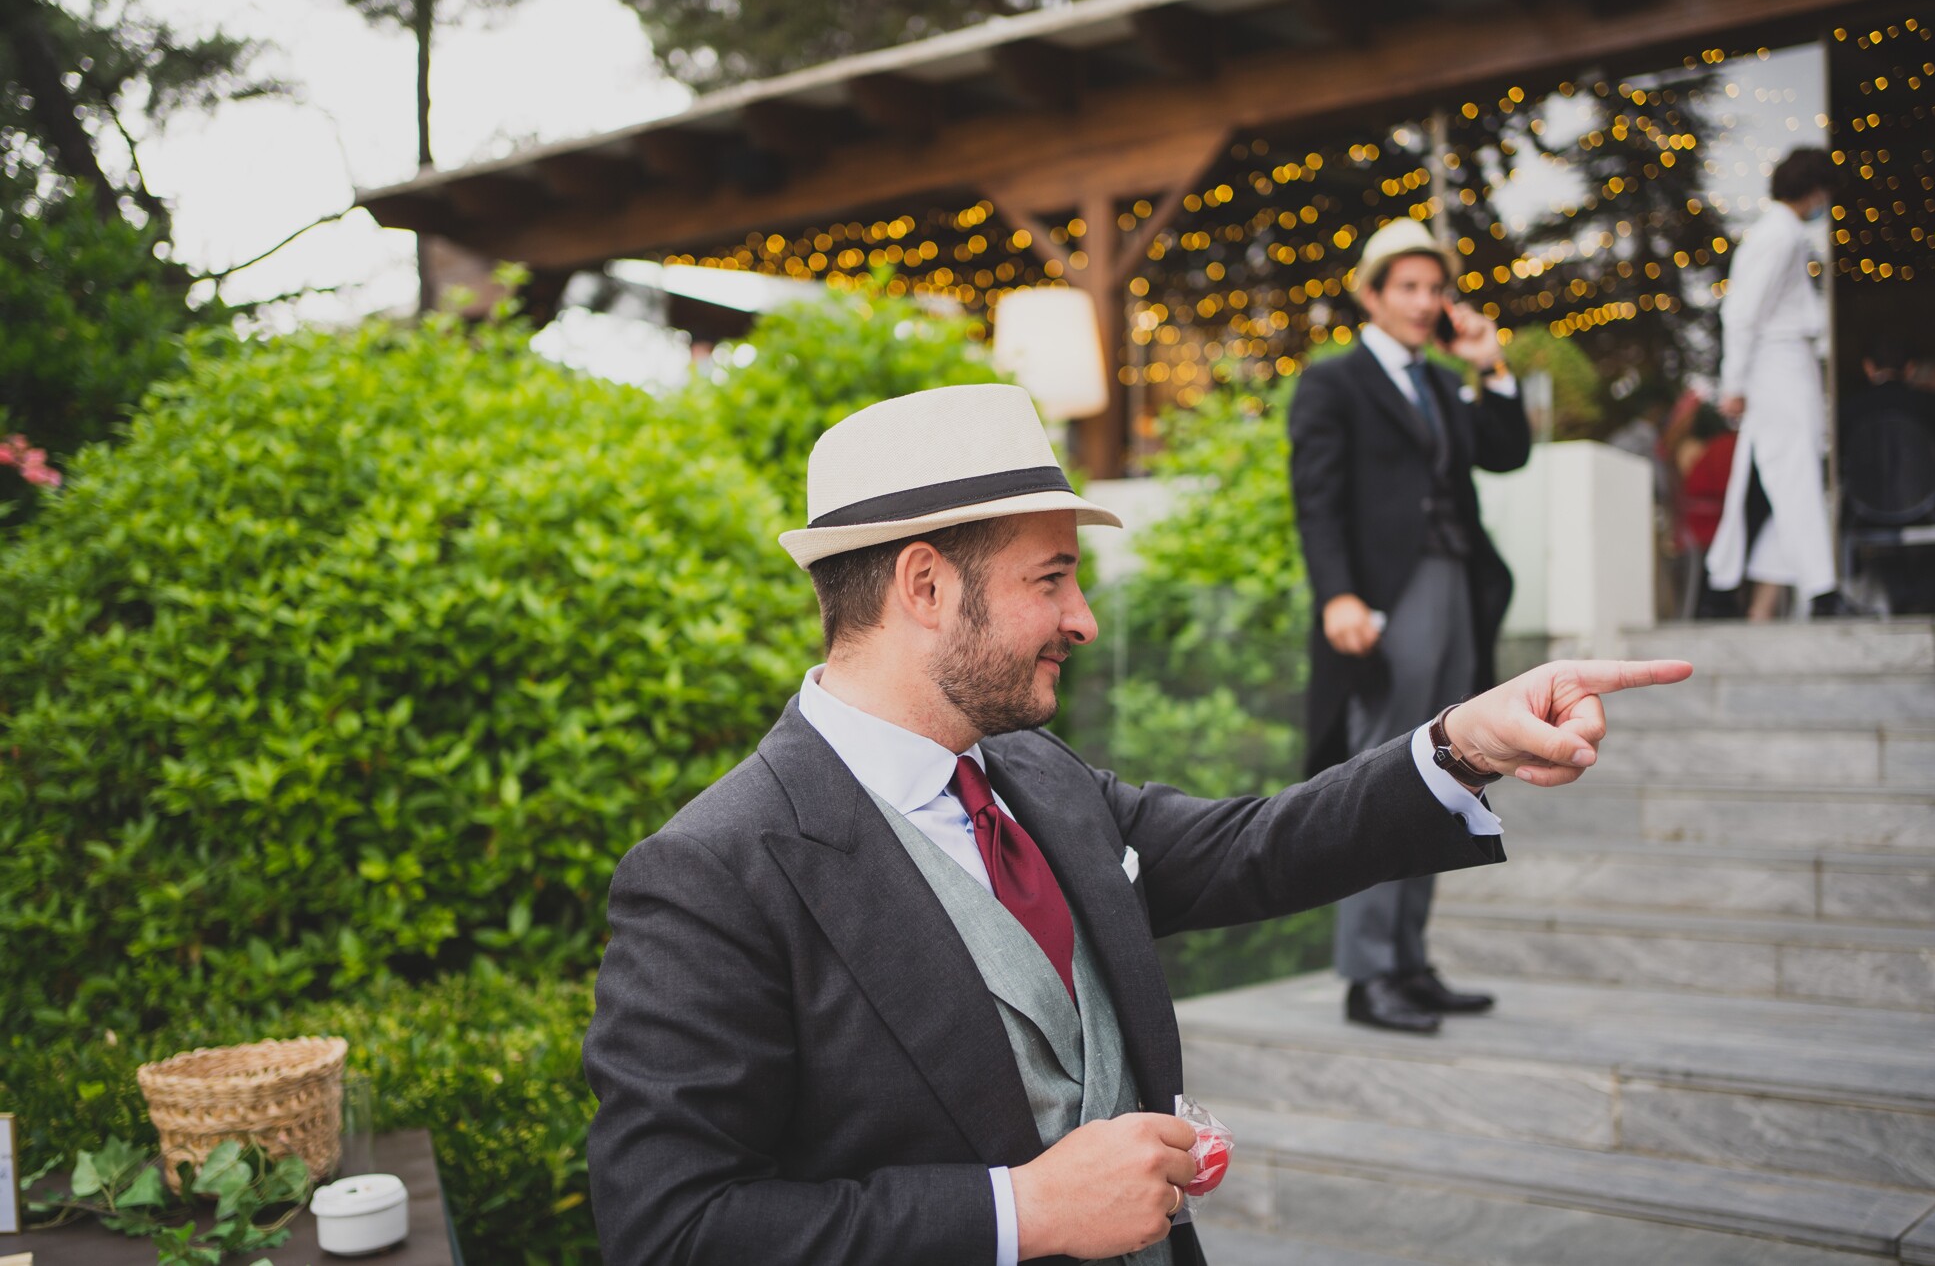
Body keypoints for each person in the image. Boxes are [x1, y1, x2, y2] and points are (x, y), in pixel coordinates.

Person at [583, 382, 1687, 1266]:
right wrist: (1020, 1211)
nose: (1084, 617)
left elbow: (1258, 846)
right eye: (1051, 576)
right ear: (923, 586)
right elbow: (672, 1229)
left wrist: (1461, 743)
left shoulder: (1038, 775)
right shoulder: (710, 872)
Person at [1287, 218, 1533, 1033]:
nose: (1427, 302)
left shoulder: (1438, 382)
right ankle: (1367, 974)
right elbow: (1317, 500)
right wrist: (1338, 597)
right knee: (1389, 776)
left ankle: (1409, 960)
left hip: (1459, 584)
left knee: (1451, 771)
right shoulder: (1334, 382)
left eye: (1436, 289)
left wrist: (1489, 362)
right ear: (1371, 293)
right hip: (1391, 597)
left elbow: (1508, 451)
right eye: (1410, 288)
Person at [1705, 147, 1846, 620]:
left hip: (1779, 366)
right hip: (1777, 368)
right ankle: (1821, 591)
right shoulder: (1780, 236)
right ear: (1814, 189)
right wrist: (1735, 383)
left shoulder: (1779, 234)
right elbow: (1742, 314)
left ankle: (1726, 591)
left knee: (1772, 484)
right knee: (1795, 476)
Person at [1841, 339, 1935, 612]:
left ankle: (1901, 602)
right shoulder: (1934, 405)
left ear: (1869, 368)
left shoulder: (1848, 411)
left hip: (1865, 513)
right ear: (1911, 369)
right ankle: (1922, 604)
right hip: (1930, 511)